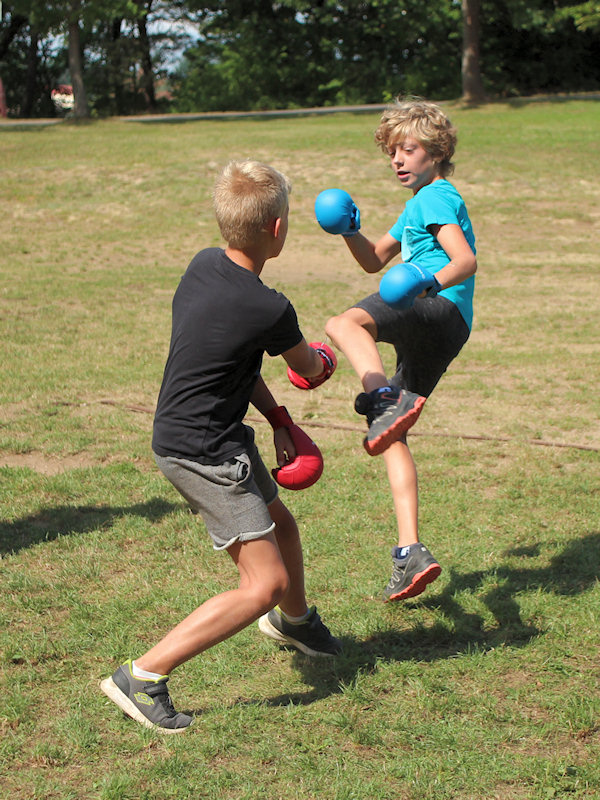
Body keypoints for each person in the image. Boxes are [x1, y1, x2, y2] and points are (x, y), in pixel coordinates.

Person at [101, 160, 341, 734]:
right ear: (278, 229)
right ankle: (142, 675)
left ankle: (294, 622)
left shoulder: (203, 265)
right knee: (264, 583)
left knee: (282, 527)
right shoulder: (270, 307)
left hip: (209, 432)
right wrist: (327, 359)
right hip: (204, 451)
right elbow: (309, 368)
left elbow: (234, 360)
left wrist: (278, 419)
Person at [323, 96, 477, 603]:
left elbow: (464, 261)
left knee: (343, 323)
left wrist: (425, 283)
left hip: (432, 304)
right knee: (392, 435)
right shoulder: (419, 204)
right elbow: (374, 260)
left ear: (436, 152)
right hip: (449, 325)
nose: (397, 160)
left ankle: (382, 398)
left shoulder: (435, 198)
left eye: (407, 149)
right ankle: (410, 550)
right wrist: (350, 230)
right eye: (392, 152)